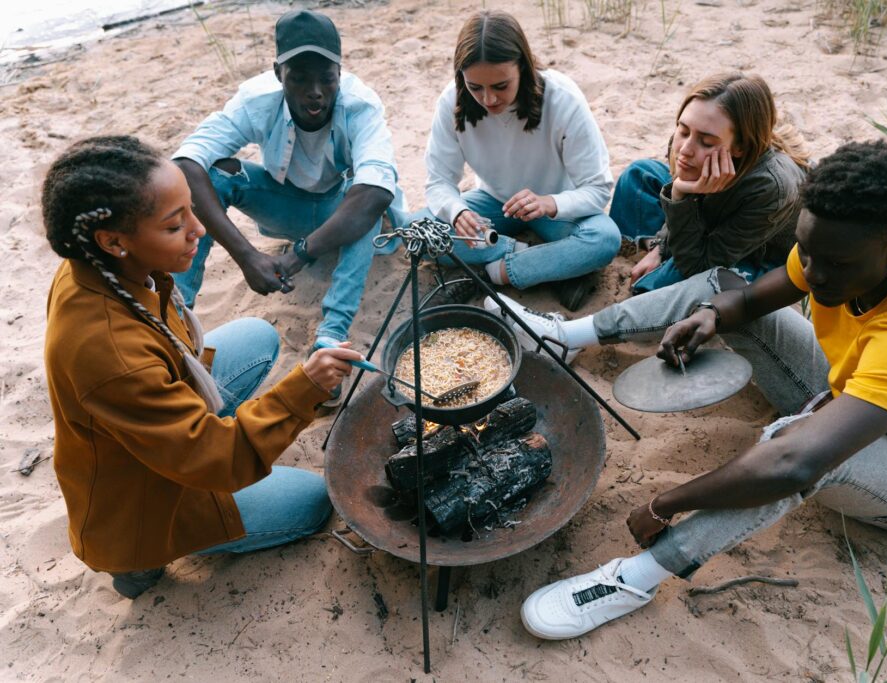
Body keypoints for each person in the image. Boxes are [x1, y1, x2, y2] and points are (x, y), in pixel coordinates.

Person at [520, 141, 887, 640]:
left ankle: (638, 577)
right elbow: (753, 297)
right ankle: (564, 337)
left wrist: (663, 505)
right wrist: (711, 316)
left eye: (834, 265)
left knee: (799, 450)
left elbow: (793, 464)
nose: (815, 274)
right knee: (719, 286)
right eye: (807, 251)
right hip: (852, 396)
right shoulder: (843, 244)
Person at [42, 136, 364, 599]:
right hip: (143, 504)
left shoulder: (95, 264)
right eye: (175, 226)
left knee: (257, 336)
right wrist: (305, 387)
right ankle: (138, 563)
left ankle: (205, 423)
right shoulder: (110, 353)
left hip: (152, 428)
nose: (198, 229)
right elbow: (221, 460)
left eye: (191, 211)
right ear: (113, 241)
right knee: (314, 502)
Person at [486, 73, 809, 361]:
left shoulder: (772, 187)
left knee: (655, 290)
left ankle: (578, 310)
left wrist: (681, 195)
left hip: (752, 253)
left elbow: (702, 266)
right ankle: (606, 262)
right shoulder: (690, 140)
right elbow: (675, 185)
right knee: (639, 175)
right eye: (683, 130)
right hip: (702, 213)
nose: (685, 148)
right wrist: (662, 245)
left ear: (739, 147)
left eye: (706, 142)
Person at [172, 9, 402, 357]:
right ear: (278, 73)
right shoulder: (256, 100)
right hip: (284, 208)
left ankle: (331, 336)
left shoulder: (361, 105)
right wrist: (246, 256)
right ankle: (175, 318)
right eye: (299, 79)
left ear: (339, 72)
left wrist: (298, 256)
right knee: (216, 172)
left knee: (367, 195)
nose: (315, 92)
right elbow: (185, 164)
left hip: (338, 211)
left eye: (326, 79)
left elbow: (374, 194)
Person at [422, 10, 620, 311]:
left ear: (524, 68)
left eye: (500, 86)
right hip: (493, 203)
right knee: (420, 230)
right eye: (476, 87)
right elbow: (438, 181)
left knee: (604, 239)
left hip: (555, 207)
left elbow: (598, 188)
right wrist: (457, 210)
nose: (488, 100)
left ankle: (497, 271)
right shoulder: (452, 101)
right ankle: (538, 259)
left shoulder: (562, 98)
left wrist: (548, 203)